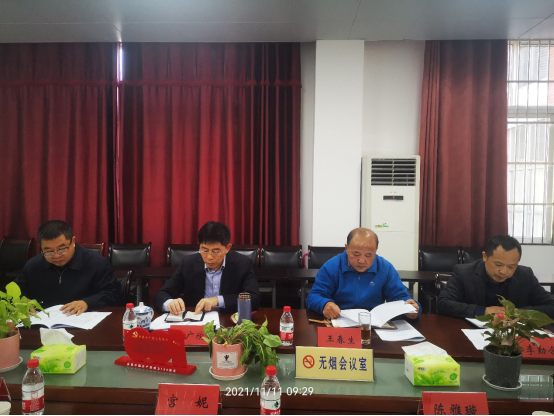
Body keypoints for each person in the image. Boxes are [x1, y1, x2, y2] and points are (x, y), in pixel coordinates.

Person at [306, 228, 421, 320]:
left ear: (376, 250)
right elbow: (314, 296)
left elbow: (400, 298)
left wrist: (413, 308)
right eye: (356, 254)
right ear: (346, 248)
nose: (362, 260)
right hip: (339, 321)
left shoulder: (385, 268)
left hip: (373, 324)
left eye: (368, 255)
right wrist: (324, 304)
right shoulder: (332, 267)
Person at [13, 220, 122, 315]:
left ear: (73, 242)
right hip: (43, 324)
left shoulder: (96, 263)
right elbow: (16, 290)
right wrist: (22, 300)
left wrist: (87, 303)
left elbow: (113, 293)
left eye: (62, 249)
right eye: (49, 251)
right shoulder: (34, 265)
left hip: (84, 322)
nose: (56, 256)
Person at [153, 221, 260, 315]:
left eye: (215, 251)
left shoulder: (242, 264)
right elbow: (161, 294)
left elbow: (254, 298)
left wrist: (218, 300)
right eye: (204, 250)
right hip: (196, 320)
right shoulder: (188, 264)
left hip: (227, 321)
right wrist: (170, 304)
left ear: (227, 248)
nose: (209, 257)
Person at [437, 235, 554, 319]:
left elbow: (551, 305)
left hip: (513, 335)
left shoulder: (525, 275)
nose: (504, 272)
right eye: (498, 265)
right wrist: (483, 311)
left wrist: (520, 312)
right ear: (485, 256)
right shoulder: (464, 273)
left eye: (511, 266)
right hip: (472, 333)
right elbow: (443, 303)